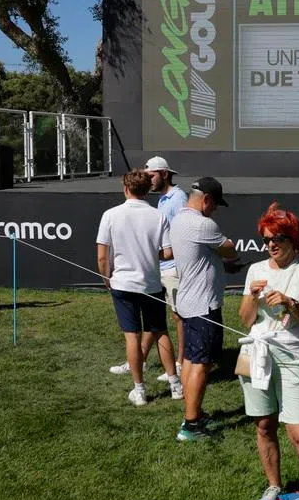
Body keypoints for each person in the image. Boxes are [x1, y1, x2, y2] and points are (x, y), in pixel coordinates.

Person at [239, 202, 299, 500]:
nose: (271, 246)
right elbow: (245, 319)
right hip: (256, 353)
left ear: (292, 239)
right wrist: (252, 297)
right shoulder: (255, 270)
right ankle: (274, 485)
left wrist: (291, 303)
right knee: (264, 424)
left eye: (277, 239)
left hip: (292, 356)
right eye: (266, 240)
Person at [95, 170, 179, 407]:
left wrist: (106, 279)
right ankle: (175, 385)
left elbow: (103, 257)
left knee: (132, 336)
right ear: (146, 191)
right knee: (160, 331)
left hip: (123, 284)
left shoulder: (110, 215)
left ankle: (140, 390)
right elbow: (168, 252)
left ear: (126, 188)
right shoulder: (158, 216)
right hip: (151, 283)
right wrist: (149, 253)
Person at [108, 156, 191, 381]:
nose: (148, 178)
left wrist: (143, 253)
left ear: (164, 174)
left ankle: (180, 363)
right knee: (155, 323)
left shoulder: (177, 199)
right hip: (158, 268)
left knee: (176, 316)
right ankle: (139, 360)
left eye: (151, 174)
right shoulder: (163, 200)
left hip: (172, 267)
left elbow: (178, 238)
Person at [171, 177, 239, 441]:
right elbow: (230, 250)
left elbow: (204, 256)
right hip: (203, 306)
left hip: (189, 302)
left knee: (190, 360)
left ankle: (193, 413)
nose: (215, 211)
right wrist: (227, 258)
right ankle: (190, 424)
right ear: (206, 200)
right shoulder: (203, 224)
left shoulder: (179, 219)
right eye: (215, 206)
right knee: (201, 364)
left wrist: (221, 264)